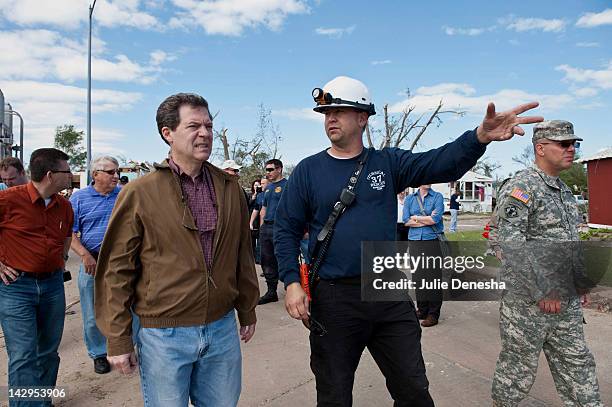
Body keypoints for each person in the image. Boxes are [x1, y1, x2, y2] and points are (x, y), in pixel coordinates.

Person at [274, 75, 543, 406]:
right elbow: (285, 229)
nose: (330, 118)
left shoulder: (387, 163)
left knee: (413, 389)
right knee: (334, 394)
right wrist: (291, 282)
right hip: (334, 297)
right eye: (326, 112)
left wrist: (479, 137)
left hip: (387, 291)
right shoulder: (308, 171)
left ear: (362, 117)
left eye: (339, 111)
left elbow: (439, 162)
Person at [95, 93, 259, 407]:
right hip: (163, 336)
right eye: (194, 125)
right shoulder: (139, 193)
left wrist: (247, 306)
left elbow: (242, 255)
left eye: (209, 126)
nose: (205, 133)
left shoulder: (230, 189)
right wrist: (118, 337)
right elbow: (117, 270)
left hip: (222, 328)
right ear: (167, 133)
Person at [489, 120, 603, 406]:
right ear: (540, 148)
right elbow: (508, 243)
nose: (571, 149)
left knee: (579, 366)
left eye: (574, 144)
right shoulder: (521, 187)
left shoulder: (564, 191)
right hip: (529, 305)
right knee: (517, 373)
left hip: (566, 303)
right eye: (564, 144)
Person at [0, 148, 73, 406]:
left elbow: (66, 238)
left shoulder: (63, 205)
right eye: (67, 171)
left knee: (48, 352)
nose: (72, 175)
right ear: (51, 175)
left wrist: (61, 260)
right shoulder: (8, 200)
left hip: (53, 285)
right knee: (23, 354)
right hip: (16, 287)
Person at [69, 156, 121, 375]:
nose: (116, 176)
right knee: (92, 313)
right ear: (95, 174)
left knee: (126, 308)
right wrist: (84, 255)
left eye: (116, 171)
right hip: (92, 261)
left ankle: (124, 347)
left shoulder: (124, 195)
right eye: (110, 172)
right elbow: (69, 233)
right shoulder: (79, 199)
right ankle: (99, 354)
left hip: (121, 262)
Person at [403, 185, 445, 327]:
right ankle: (422, 309)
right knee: (419, 277)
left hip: (431, 240)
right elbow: (406, 220)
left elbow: (435, 219)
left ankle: (433, 314)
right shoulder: (410, 198)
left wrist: (415, 218)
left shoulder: (437, 196)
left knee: (433, 277)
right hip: (414, 241)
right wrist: (425, 218)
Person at [258, 158, 287, 305]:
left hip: (281, 227)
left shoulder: (288, 185)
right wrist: (262, 226)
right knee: (267, 260)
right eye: (266, 170)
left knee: (284, 258)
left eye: (270, 169)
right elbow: (263, 208)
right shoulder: (268, 188)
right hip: (267, 228)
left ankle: (292, 288)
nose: (267, 173)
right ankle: (271, 292)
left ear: (279, 169)